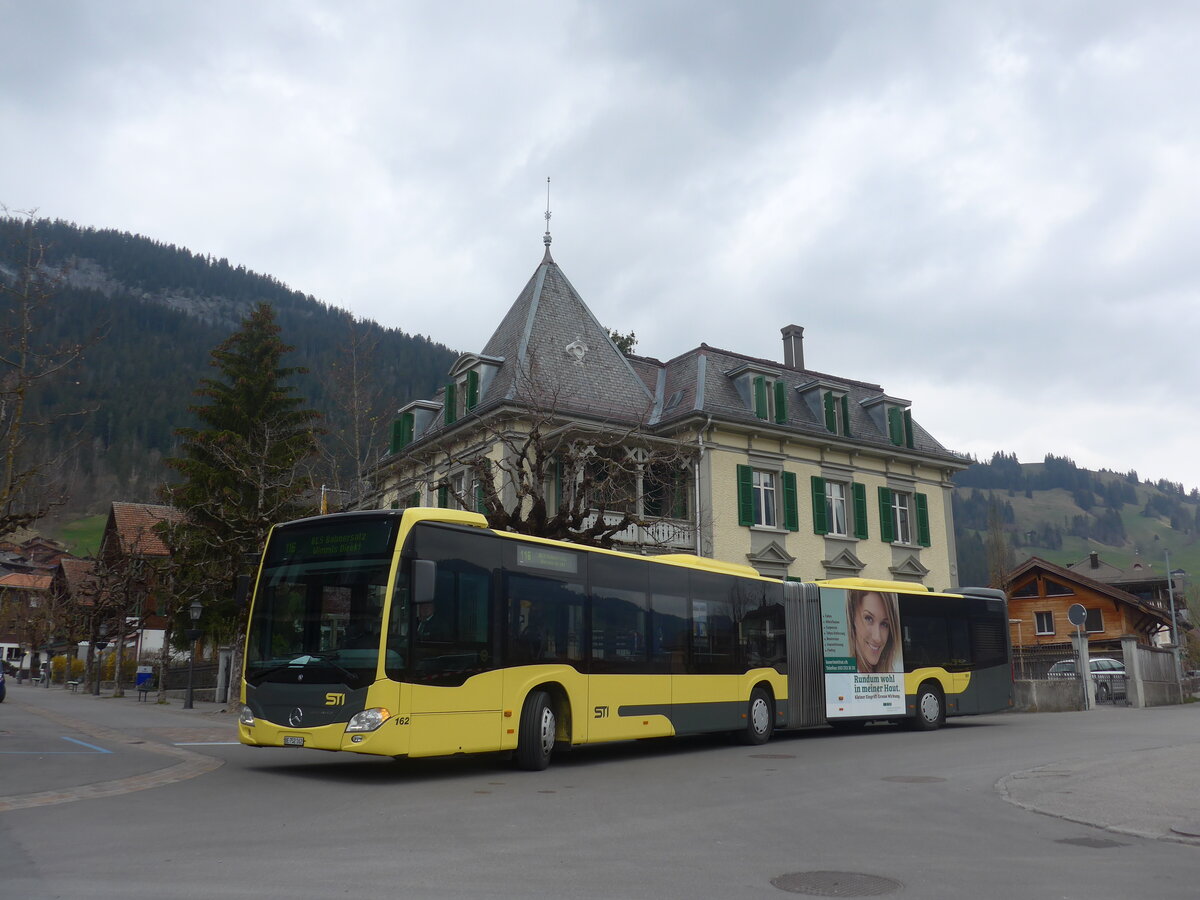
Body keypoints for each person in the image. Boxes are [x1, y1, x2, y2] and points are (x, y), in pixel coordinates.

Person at [846, 590, 901, 673]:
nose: (877, 638)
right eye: (869, 619)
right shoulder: (841, 676)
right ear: (852, 616)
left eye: (884, 624)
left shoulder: (893, 675)